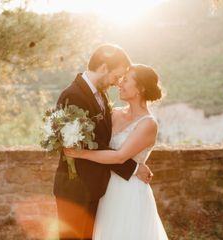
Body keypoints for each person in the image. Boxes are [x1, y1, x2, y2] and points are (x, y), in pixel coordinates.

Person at [53, 44, 153, 240]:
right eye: (117, 76)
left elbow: (105, 140)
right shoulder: (73, 96)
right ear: (104, 68)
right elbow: (86, 146)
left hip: (95, 187)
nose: (117, 83)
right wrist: (132, 168)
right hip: (75, 189)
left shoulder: (101, 94)